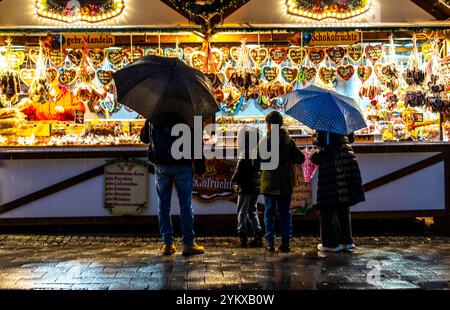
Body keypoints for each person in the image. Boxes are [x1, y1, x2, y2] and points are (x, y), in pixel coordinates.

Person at [140, 111, 205, 256]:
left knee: (163, 204)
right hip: (183, 164)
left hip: (162, 165)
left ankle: (167, 243)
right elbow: (197, 141)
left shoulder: (155, 111)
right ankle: (188, 243)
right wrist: (200, 167)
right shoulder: (189, 112)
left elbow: (144, 138)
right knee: (185, 204)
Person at [257, 111, 305, 252]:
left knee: (269, 213)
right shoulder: (289, 142)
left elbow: (256, 161)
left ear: (269, 125)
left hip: (269, 182)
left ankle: (270, 243)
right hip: (285, 182)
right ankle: (286, 243)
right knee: (285, 213)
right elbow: (300, 158)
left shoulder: (264, 142)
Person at [310, 131, 365, 253]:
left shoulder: (325, 127)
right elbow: (351, 138)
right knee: (343, 206)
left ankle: (330, 243)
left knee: (327, 206)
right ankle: (346, 241)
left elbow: (321, 154)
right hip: (347, 165)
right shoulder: (343, 125)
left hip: (332, 170)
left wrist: (313, 153)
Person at [231, 126, 263, 248]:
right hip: (255, 187)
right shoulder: (258, 153)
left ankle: (242, 235)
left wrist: (233, 180)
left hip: (245, 187)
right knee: (252, 211)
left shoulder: (244, 153)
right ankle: (258, 235)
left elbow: (239, 171)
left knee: (241, 211)